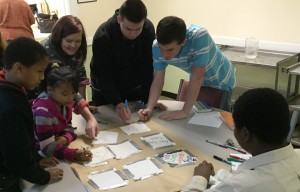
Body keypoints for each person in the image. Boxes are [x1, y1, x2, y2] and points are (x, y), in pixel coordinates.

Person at [181, 88, 300, 192]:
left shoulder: (240, 185)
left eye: (234, 126)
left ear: (245, 134)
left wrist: (200, 178)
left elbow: (240, 185)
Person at [138, 16, 236, 121]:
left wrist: (185, 111)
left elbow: (197, 77)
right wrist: (149, 108)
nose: (164, 54)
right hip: (200, 82)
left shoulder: (199, 37)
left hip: (222, 80)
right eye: (162, 48)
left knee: (220, 122)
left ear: (183, 42)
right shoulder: (156, 47)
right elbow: (158, 79)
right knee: (198, 120)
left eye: (170, 49)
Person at [0, 37, 63, 191]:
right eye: (39, 71)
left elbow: (23, 138)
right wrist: (44, 177)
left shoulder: (13, 87)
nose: (42, 77)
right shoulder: (10, 106)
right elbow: (16, 156)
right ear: (18, 68)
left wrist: (36, 159)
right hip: (6, 177)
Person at [90, 0, 155, 121]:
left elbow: (147, 67)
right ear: (119, 19)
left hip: (134, 87)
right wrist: (117, 102)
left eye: (138, 29)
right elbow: (104, 75)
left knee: (137, 120)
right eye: (128, 29)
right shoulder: (102, 36)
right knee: (108, 123)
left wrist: (148, 101)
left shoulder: (148, 29)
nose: (133, 34)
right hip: (105, 90)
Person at [37, 15, 99, 138]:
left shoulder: (78, 51)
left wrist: (83, 105)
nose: (73, 45)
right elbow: (63, 87)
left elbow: (78, 81)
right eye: (69, 41)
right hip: (40, 105)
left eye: (78, 41)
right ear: (59, 38)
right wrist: (87, 115)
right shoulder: (46, 52)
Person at [32, 65, 93, 162]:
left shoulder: (65, 103)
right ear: (49, 90)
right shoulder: (42, 111)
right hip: (37, 155)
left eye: (73, 93)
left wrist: (65, 138)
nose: (70, 97)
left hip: (55, 147)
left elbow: (69, 128)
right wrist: (74, 154)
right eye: (65, 94)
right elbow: (46, 148)